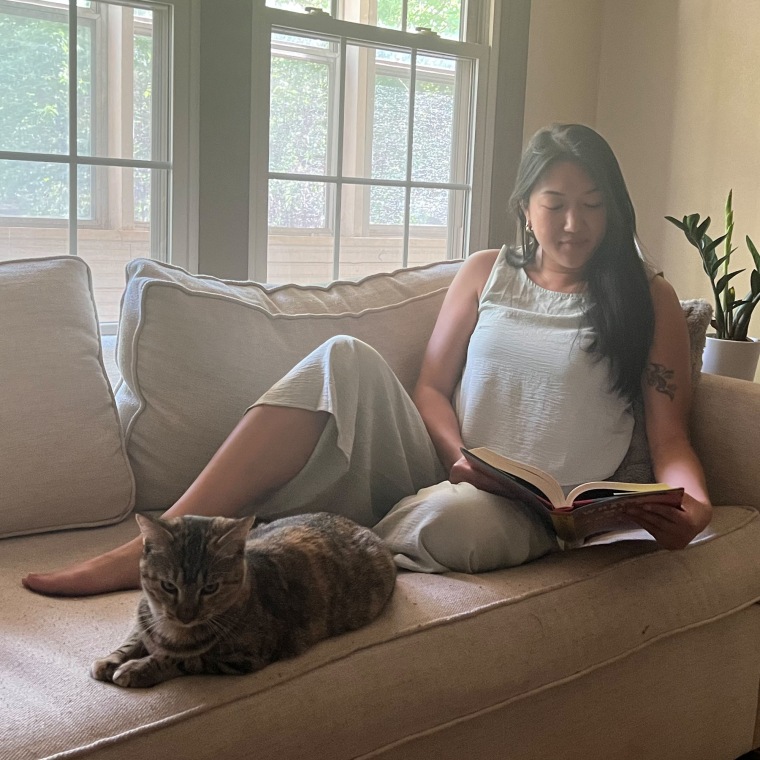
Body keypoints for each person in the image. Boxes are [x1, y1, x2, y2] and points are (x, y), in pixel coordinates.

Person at [22, 123, 713, 596]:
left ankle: (294, 547)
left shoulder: (647, 298)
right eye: (555, 204)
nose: (573, 224)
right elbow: (432, 387)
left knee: (454, 523)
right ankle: (164, 541)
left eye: (592, 205)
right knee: (342, 358)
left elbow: (669, 437)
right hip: (449, 464)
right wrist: (456, 457)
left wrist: (698, 507)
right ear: (525, 208)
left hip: (543, 514)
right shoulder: (485, 273)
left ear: (614, 210)